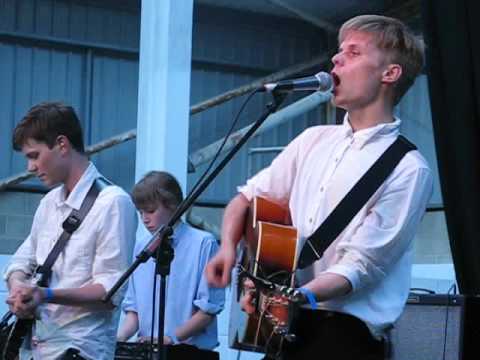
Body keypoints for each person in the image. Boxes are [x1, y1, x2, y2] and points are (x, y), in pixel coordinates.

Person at [206, 14, 433, 360]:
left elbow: (362, 267)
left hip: (342, 336)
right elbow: (247, 198)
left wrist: (299, 296)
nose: (336, 59)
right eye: (339, 51)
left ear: (390, 74)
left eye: (354, 53)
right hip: (287, 326)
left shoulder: (407, 168)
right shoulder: (312, 140)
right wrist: (227, 249)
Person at [3, 101, 137, 360]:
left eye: (34, 155)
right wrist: (19, 286)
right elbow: (21, 261)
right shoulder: (49, 203)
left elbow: (109, 292)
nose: (30, 167)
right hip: (38, 349)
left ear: (62, 145)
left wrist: (45, 294)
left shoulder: (113, 203)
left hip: (81, 351)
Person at [117, 171, 225, 351]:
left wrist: (171, 338)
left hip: (189, 353)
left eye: (151, 211)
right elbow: (134, 311)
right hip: (148, 351)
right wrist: (118, 339)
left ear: (173, 206)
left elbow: (207, 312)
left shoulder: (204, 244)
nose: (145, 219)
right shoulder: (142, 247)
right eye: (141, 212)